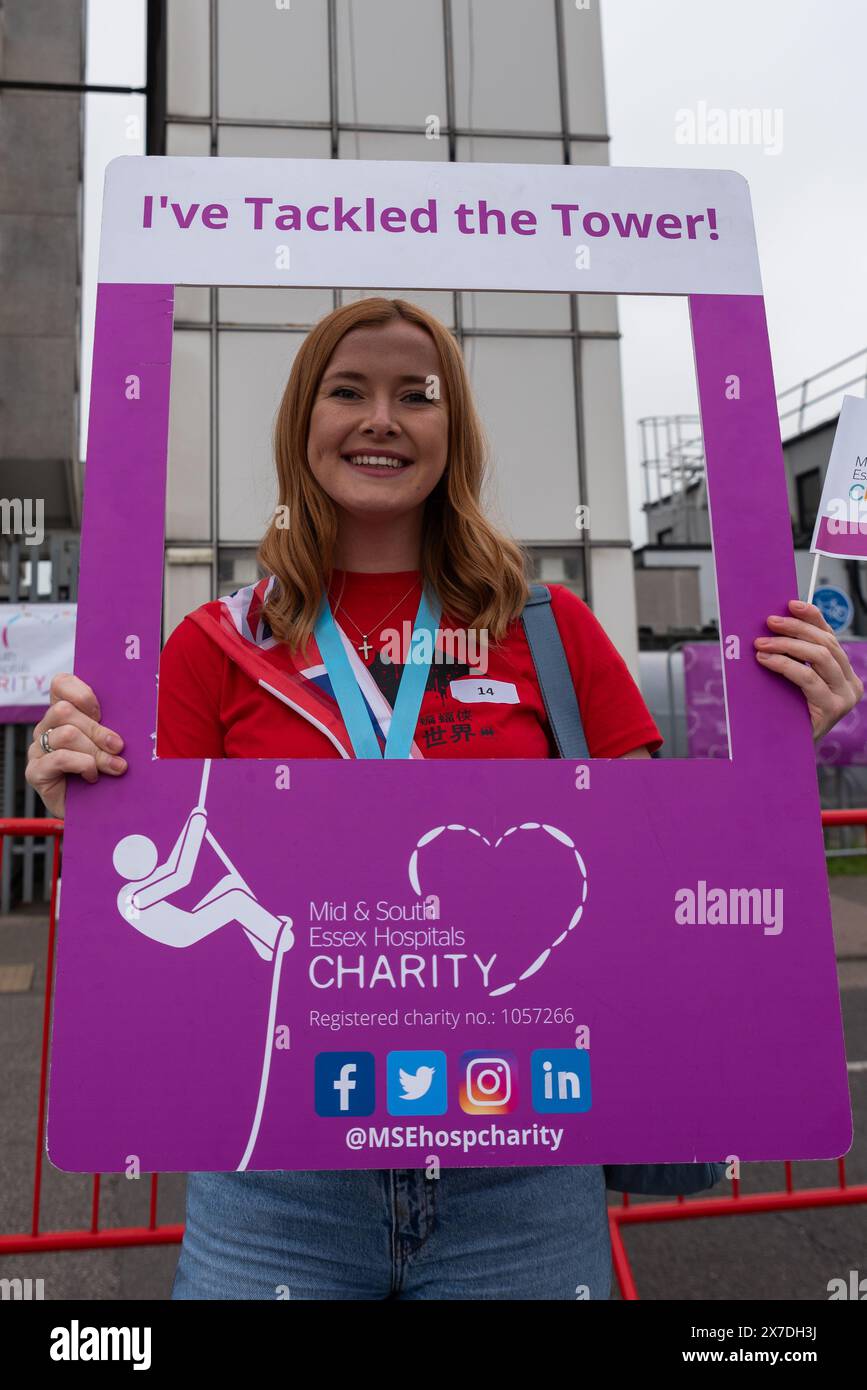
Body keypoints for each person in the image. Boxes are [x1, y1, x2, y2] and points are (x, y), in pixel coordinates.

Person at [26, 297, 864, 1300]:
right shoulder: (215, 646)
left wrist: (776, 766)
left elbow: (657, 877)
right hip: (278, 1178)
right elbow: (150, 917)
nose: (382, 416)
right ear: (304, 425)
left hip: (520, 1169)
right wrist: (85, 797)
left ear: (452, 435)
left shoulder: (550, 630)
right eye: (349, 391)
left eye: (415, 395)